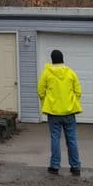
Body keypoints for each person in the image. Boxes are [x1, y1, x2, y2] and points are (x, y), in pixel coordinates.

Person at [36, 48, 82, 177]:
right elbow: (78, 92)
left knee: (55, 139)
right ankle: (76, 167)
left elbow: (40, 91)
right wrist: (71, 102)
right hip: (69, 112)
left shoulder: (46, 73)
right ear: (63, 59)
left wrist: (47, 103)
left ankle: (55, 166)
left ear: (52, 60)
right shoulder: (71, 73)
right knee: (72, 139)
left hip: (53, 113)